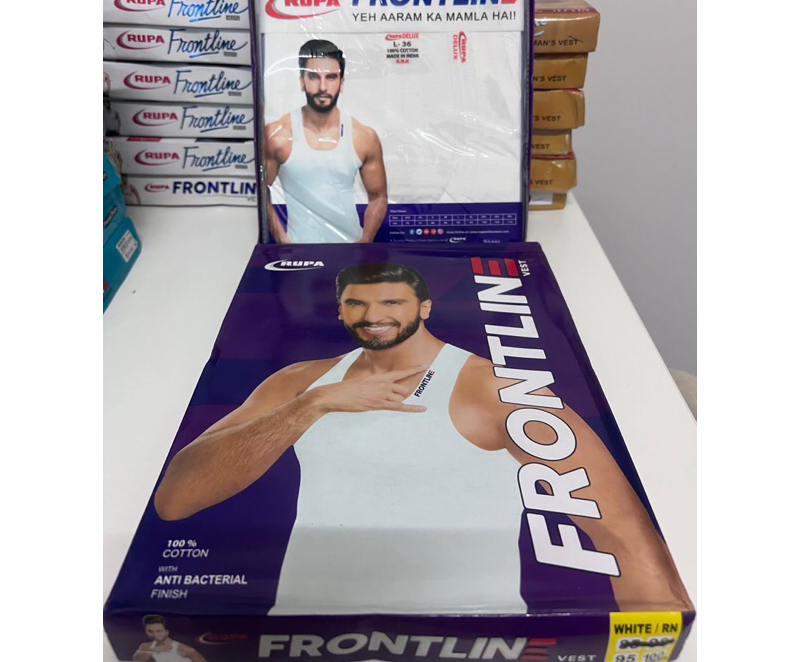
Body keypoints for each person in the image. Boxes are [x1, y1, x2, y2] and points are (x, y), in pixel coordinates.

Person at [154, 264, 690, 614]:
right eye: (358, 304)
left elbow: (625, 537)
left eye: (392, 303)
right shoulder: (300, 382)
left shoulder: (494, 388)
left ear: (424, 308)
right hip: (309, 632)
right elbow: (177, 499)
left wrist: (649, 647)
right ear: (340, 310)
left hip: (472, 637)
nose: (374, 316)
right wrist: (312, 406)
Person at [263, 39, 387, 244]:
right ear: (302, 81)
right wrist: (282, 240)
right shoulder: (278, 135)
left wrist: (365, 242)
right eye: (313, 76)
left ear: (342, 83)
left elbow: (378, 196)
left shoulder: (363, 136)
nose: (322, 86)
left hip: (351, 250)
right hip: (300, 252)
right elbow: (260, 190)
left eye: (331, 77)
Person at [133, 615, 207, 662]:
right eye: (150, 631)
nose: (155, 634)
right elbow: (137, 659)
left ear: (166, 631)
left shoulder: (185, 650)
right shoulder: (145, 647)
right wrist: (152, 651)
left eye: (159, 631)